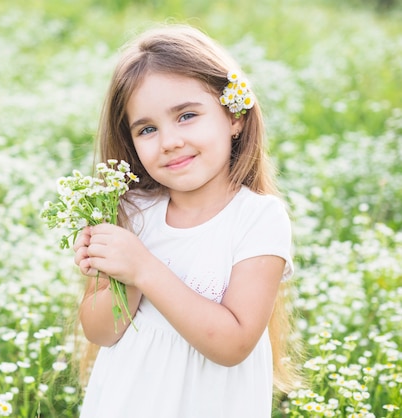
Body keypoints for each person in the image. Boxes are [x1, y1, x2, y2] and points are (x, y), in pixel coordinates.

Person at [72, 24, 300, 417]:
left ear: (235, 117)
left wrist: (143, 269)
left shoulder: (257, 218)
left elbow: (233, 344)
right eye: (147, 129)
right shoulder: (131, 210)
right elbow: (100, 331)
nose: (169, 141)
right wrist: (116, 266)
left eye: (187, 116)